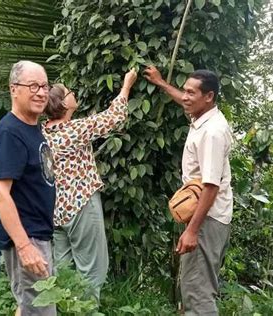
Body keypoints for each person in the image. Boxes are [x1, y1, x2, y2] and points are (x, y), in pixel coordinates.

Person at [42, 68, 138, 302]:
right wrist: (127, 85)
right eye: (69, 92)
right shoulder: (73, 130)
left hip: (55, 211)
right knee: (92, 270)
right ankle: (87, 309)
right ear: (63, 104)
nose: (73, 94)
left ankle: (64, 309)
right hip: (80, 205)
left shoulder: (43, 132)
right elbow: (113, 118)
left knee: (63, 271)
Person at [144, 65, 233, 315]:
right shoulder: (204, 119)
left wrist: (192, 231)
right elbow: (184, 102)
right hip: (206, 218)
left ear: (209, 97)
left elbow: (211, 185)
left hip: (207, 220)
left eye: (191, 93)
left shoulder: (213, 132)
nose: (185, 97)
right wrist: (161, 83)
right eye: (184, 91)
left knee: (198, 293)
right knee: (195, 287)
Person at [0, 60, 56, 316]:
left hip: (38, 234)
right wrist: (24, 246)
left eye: (45, 86)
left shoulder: (32, 128)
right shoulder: (9, 132)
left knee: (28, 307)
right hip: (27, 238)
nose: (41, 92)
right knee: (40, 310)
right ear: (14, 89)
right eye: (33, 85)